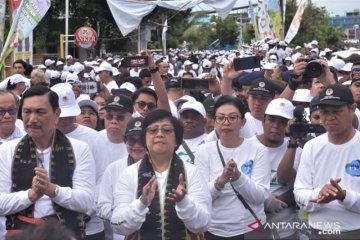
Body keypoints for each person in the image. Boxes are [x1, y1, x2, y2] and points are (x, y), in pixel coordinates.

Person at [0, 86, 95, 239]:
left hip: (65, 234)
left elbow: (87, 202)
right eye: (27, 112)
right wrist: (30, 195)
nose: (32, 119)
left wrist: (53, 190)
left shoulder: (79, 149)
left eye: (40, 112)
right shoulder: (7, 151)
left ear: (56, 114)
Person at [110, 109, 211, 239]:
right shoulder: (129, 173)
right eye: (153, 130)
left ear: (177, 141)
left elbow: (203, 224)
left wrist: (184, 202)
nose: (159, 134)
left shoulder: (191, 172)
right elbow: (118, 225)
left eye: (167, 130)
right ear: (144, 139)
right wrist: (141, 203)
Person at [195, 95, 271, 239]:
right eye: (221, 118)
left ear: (242, 122)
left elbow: (261, 196)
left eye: (232, 117)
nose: (226, 123)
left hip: (251, 228)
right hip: (214, 229)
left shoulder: (258, 150)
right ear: (215, 122)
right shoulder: (204, 151)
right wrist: (220, 181)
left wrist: (238, 177)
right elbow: (201, 196)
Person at [294, 84, 360, 239]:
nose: (329, 117)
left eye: (336, 111)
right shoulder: (311, 146)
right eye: (324, 112)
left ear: (352, 109)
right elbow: (299, 193)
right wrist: (320, 195)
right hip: (318, 231)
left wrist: (344, 196)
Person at [51, 83, 110, 239]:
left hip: (89, 225)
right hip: (52, 225)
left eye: (69, 115)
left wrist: (86, 211)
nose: (65, 120)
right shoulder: (41, 137)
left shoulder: (93, 138)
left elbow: (102, 178)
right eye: (61, 116)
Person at [253, 98, 302, 239]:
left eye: (282, 121)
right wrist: (263, 201)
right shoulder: (247, 146)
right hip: (252, 226)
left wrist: (281, 200)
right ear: (263, 121)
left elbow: (301, 187)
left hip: (285, 228)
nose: (276, 125)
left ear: (289, 125)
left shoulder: (298, 152)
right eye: (272, 120)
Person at [97, 117, 147, 240]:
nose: (136, 145)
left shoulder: (160, 167)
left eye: (141, 140)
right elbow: (102, 206)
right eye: (131, 140)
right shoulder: (113, 168)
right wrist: (126, 213)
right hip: (122, 234)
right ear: (124, 141)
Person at [99, 94, 133, 163]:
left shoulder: (137, 144)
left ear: (130, 119)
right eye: (109, 116)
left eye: (120, 117)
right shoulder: (95, 139)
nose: (113, 121)